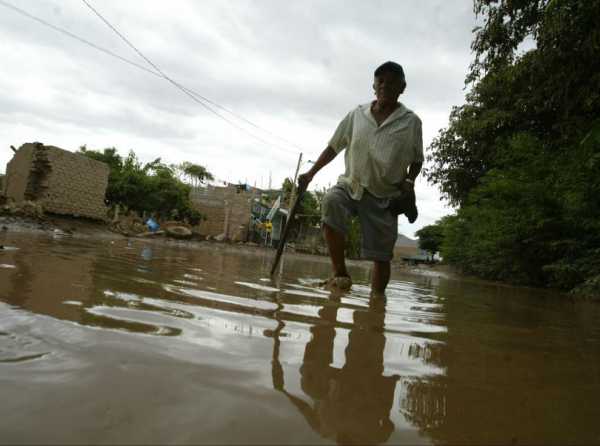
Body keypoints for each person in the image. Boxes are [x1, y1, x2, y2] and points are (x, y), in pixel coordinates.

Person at [298, 61, 424, 295]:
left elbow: (417, 158)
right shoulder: (357, 115)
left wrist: (409, 182)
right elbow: (334, 147)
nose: (385, 85)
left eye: (392, 82)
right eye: (381, 81)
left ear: (402, 87)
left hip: (385, 195)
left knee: (382, 256)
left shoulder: (411, 122)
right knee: (331, 201)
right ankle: (340, 272)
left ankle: (377, 302)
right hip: (351, 184)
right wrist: (310, 173)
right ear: (374, 86)